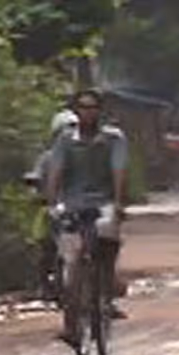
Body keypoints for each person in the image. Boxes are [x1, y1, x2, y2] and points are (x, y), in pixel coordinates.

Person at [45, 89, 130, 321]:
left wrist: (119, 203)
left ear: (100, 111)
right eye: (83, 107)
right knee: (70, 256)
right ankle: (70, 310)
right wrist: (52, 203)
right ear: (76, 111)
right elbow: (55, 171)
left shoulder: (114, 139)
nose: (88, 112)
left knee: (108, 240)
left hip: (104, 202)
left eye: (92, 107)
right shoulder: (65, 140)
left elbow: (118, 171)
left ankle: (106, 291)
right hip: (72, 203)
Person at [33, 109, 79, 301]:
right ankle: (45, 283)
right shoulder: (47, 158)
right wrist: (38, 194)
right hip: (58, 209)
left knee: (105, 243)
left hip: (86, 208)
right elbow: (36, 179)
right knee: (44, 241)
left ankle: (105, 292)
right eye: (65, 130)